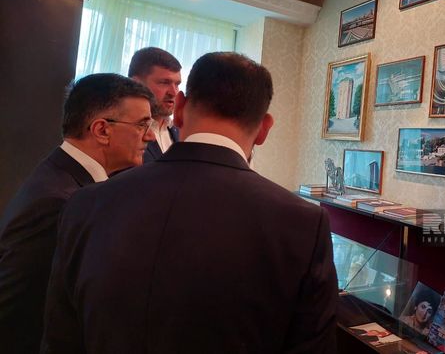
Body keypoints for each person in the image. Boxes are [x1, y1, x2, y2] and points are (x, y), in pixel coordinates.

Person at [42, 52, 338, 354]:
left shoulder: (86, 203)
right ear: (264, 129)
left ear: (180, 108)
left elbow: (60, 337)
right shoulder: (302, 223)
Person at [0, 73, 155, 354]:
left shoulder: (65, 179)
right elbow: (23, 312)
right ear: (102, 130)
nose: (151, 135)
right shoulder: (59, 201)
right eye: (142, 124)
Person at [128, 46, 182, 162]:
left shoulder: (181, 133)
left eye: (177, 84)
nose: (173, 92)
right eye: (164, 83)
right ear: (136, 84)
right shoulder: (121, 133)